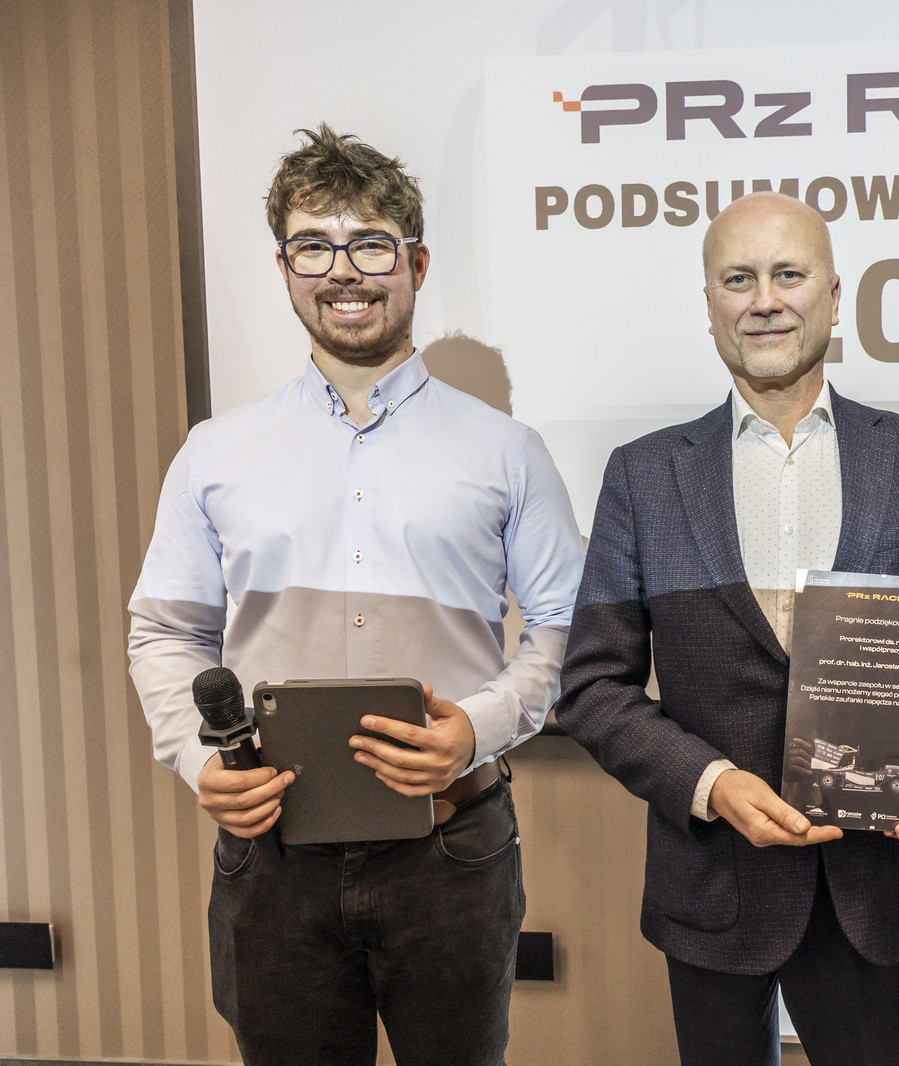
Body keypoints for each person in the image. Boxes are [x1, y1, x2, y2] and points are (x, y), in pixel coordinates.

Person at [127, 125, 585, 1065]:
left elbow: (563, 628)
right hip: (273, 858)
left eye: (371, 244)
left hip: (452, 849)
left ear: (415, 263)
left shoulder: (508, 451)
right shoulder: (215, 453)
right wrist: (197, 761)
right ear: (284, 268)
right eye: (313, 246)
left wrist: (477, 729)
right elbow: (168, 630)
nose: (343, 271)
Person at [554, 191, 899, 1066]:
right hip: (711, 887)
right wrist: (712, 782)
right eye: (739, 279)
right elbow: (593, 687)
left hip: (877, 887)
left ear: (834, 297)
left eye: (788, 275)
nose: (764, 300)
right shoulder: (645, 476)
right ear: (710, 307)